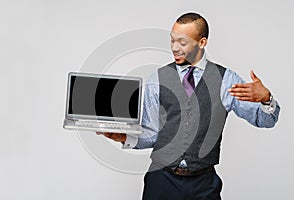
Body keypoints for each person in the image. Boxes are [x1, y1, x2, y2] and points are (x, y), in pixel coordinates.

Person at [98, 12, 280, 200]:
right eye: (172, 41)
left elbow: (265, 120)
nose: (175, 48)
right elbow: (151, 134)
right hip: (161, 180)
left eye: (182, 43)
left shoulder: (226, 80)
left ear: (202, 43)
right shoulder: (157, 79)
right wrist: (123, 137)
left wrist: (266, 99)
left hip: (204, 183)